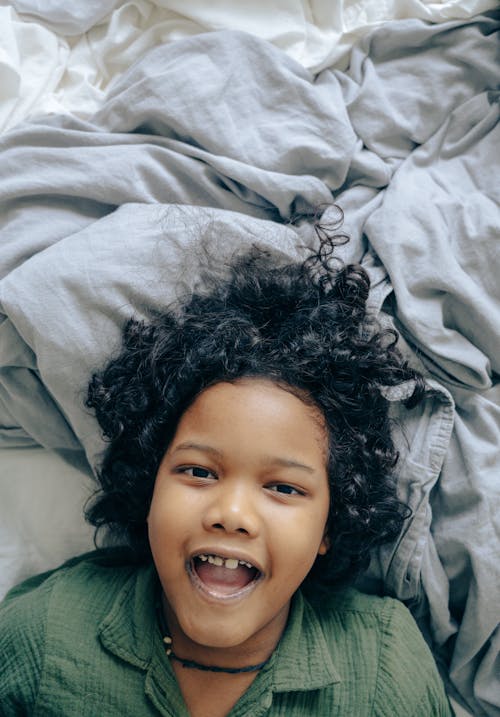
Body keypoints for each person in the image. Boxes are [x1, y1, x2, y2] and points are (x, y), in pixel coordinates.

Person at [0, 218, 452, 716]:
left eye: (283, 487)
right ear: (149, 487)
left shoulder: (384, 663)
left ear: (331, 523)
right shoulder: (40, 635)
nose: (231, 513)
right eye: (198, 472)